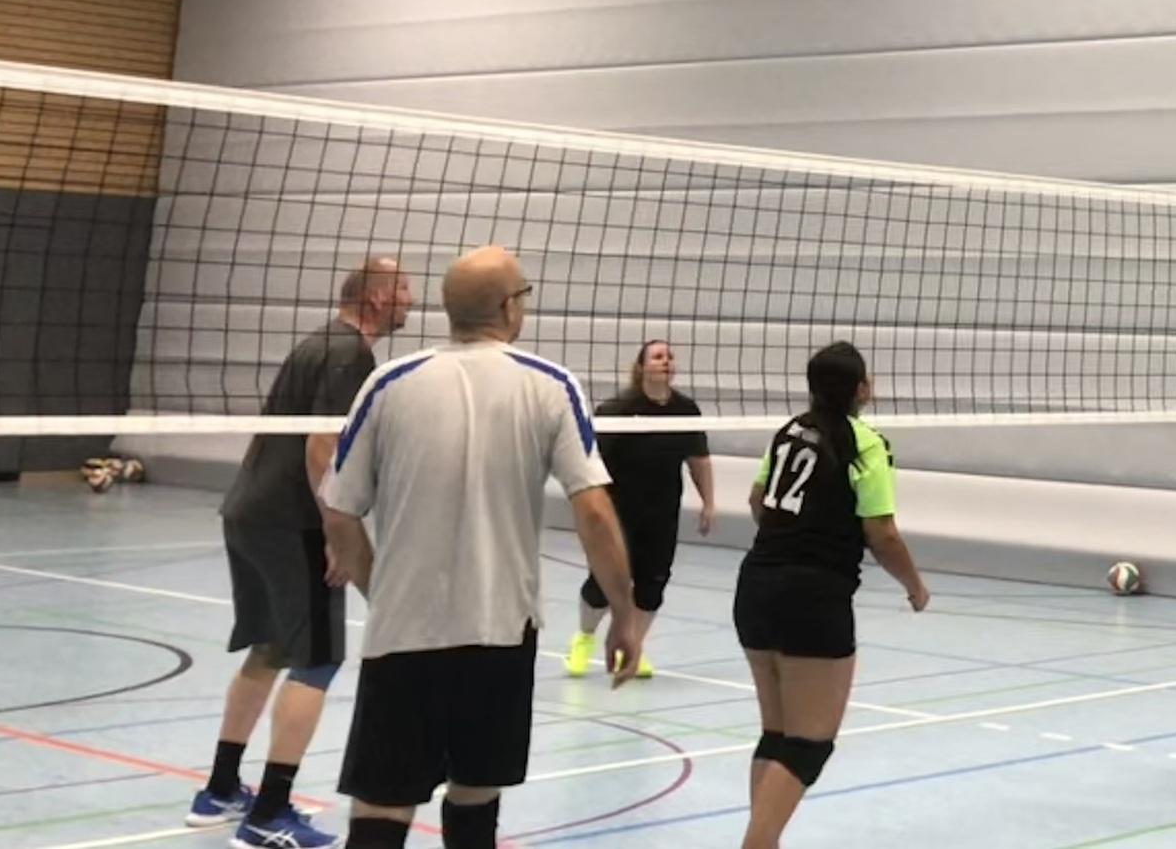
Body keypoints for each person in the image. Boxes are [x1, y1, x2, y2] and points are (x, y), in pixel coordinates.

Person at [321, 246, 640, 849]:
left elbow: (338, 509)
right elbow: (594, 511)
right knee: (475, 799)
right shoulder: (551, 385)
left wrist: (383, 591)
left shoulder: (386, 383)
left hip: (404, 635)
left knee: (382, 808)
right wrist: (623, 615)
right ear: (508, 307)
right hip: (499, 634)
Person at [187, 256, 411, 848]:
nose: (412, 299)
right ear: (378, 297)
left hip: (249, 511)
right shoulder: (349, 353)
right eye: (405, 289)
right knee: (316, 661)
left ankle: (220, 790)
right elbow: (321, 447)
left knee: (271, 649)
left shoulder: (319, 343)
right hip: (293, 521)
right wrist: (337, 530)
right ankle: (269, 815)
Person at [732, 341, 929, 849]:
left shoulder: (789, 432)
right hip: (813, 598)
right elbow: (881, 532)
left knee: (777, 734)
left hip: (755, 585)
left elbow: (758, 501)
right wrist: (915, 586)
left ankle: (763, 841)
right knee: (809, 743)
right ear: (863, 388)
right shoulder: (865, 444)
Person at [567, 339, 715, 680]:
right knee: (604, 583)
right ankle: (584, 638)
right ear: (642, 366)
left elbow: (698, 459)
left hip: (662, 512)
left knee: (653, 585)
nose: (666, 361)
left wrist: (708, 501)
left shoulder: (686, 410)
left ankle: (633, 645)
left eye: (669, 357)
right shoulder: (617, 410)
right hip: (618, 511)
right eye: (658, 356)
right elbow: (593, 464)